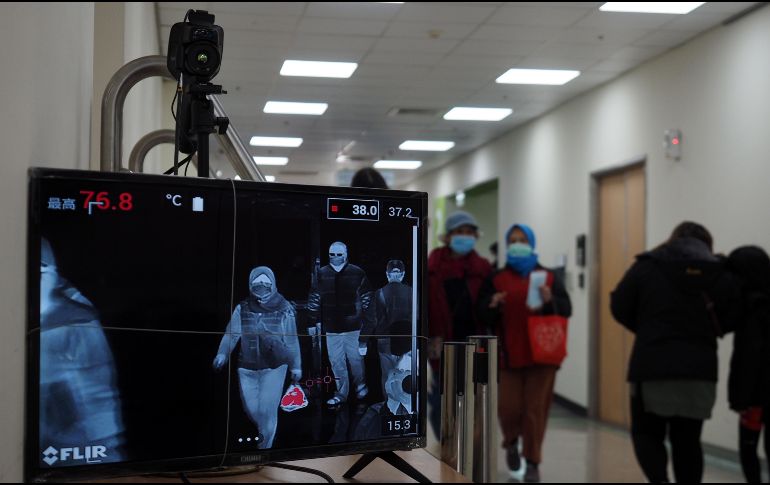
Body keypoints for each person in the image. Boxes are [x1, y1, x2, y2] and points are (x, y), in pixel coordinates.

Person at [610, 221, 739, 483]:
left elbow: (619, 305)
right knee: (688, 441)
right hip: (700, 370)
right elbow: (734, 315)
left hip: (651, 366)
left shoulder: (647, 266)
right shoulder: (717, 273)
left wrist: (645, 328)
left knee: (646, 434)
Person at [478, 224, 571, 483]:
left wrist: (550, 300)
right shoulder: (496, 279)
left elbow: (566, 309)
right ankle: (511, 443)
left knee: (535, 411)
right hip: (508, 356)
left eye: (522, 240)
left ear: (531, 244)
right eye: (513, 240)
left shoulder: (548, 277)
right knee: (508, 409)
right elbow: (482, 314)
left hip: (541, 357)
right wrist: (493, 304)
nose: (518, 244)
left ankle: (533, 461)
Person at [39, 239, 126, 462]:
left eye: (43, 272)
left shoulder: (76, 322)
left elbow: (98, 398)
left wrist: (107, 453)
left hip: (71, 450)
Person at [213, 266, 302, 449]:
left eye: (265, 282)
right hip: (246, 368)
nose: (261, 285)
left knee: (267, 411)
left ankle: (264, 451)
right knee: (252, 410)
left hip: (275, 367)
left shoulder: (284, 308)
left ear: (273, 284)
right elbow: (231, 334)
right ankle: (264, 439)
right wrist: (222, 354)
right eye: (257, 282)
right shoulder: (243, 308)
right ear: (250, 284)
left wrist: (296, 365)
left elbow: (292, 340)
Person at [427, 211, 492, 438]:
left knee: (473, 400)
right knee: (441, 400)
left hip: (475, 342)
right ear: (447, 236)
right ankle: (447, 443)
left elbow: (487, 306)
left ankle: (468, 445)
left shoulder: (483, 268)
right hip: (442, 344)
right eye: (459, 232)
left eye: (469, 232)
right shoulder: (432, 266)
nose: (464, 236)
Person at [308, 241, 374, 407]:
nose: (335, 257)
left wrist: (367, 325)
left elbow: (367, 300)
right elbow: (314, 298)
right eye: (332, 254)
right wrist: (311, 321)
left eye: (339, 254)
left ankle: (360, 386)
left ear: (346, 255)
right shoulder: (321, 273)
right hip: (331, 328)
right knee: (336, 362)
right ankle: (341, 393)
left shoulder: (357, 273)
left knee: (356, 360)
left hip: (353, 327)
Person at [726, 246, 770, 483]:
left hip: (756, 398)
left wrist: (739, 399)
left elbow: (748, 359)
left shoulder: (751, 308)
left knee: (748, 449)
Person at [368, 260, 413, 395]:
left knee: (388, 374)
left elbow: (371, 319)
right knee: (405, 374)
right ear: (402, 274)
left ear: (387, 275)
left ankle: (389, 403)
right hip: (406, 339)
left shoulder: (379, 293)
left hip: (385, 339)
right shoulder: (412, 292)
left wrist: (363, 340)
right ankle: (404, 403)